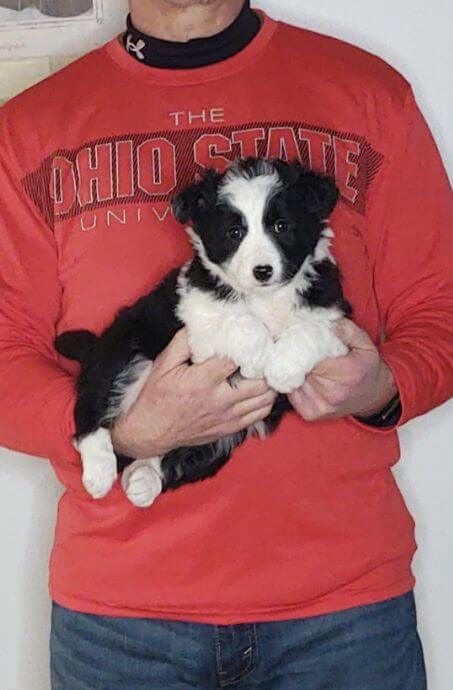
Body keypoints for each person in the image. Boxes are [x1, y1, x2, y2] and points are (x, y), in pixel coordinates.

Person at [0, 1, 451, 688]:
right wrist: (123, 431)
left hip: (343, 614)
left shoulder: (366, 93)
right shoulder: (30, 129)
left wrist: (386, 389)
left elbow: (439, 305)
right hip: (122, 623)